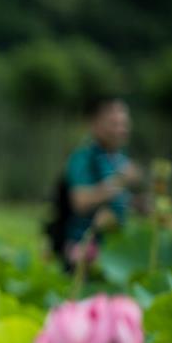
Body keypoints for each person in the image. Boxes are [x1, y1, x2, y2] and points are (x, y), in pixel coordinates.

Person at [47, 97, 141, 266]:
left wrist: (136, 204)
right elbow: (80, 201)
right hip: (83, 252)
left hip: (114, 254)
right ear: (95, 124)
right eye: (114, 123)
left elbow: (117, 200)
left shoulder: (119, 159)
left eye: (124, 123)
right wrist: (120, 181)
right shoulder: (83, 158)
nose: (121, 129)